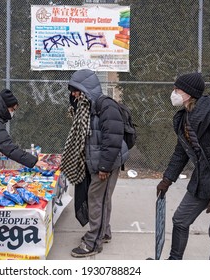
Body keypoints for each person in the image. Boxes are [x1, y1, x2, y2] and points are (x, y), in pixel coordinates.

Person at [156, 72, 210, 260]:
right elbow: (181, 152)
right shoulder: (184, 117)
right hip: (201, 181)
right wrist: (167, 178)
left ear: (189, 93)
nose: (174, 92)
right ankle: (174, 261)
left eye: (177, 89)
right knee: (180, 220)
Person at [61, 69, 129, 258]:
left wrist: (104, 167)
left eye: (75, 90)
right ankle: (104, 232)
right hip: (97, 161)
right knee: (101, 199)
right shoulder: (86, 107)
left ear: (85, 88)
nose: (73, 94)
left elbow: (113, 138)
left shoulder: (105, 106)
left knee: (96, 200)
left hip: (106, 163)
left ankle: (92, 242)